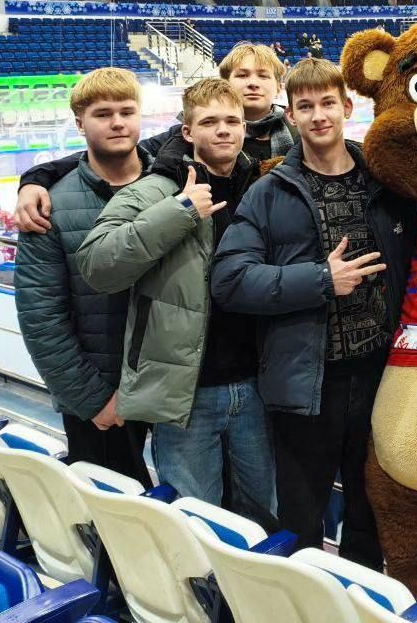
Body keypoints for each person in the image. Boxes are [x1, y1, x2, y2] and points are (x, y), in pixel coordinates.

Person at [211, 58, 416, 565]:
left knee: (371, 518)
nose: (319, 115)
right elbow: (229, 280)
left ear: (347, 107)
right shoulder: (268, 190)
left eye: (328, 103)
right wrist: (322, 280)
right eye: (306, 106)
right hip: (306, 385)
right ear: (291, 115)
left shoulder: (386, 180)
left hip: (378, 377)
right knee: (301, 521)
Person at [77, 79, 274, 517]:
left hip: (255, 387)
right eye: (209, 122)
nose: (222, 130)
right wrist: (181, 210)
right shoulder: (156, 189)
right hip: (186, 395)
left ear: (245, 128)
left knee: (262, 515)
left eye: (232, 121)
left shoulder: (260, 185)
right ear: (186, 132)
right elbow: (97, 263)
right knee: (195, 519)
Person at [14, 68, 153, 485]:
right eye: (102, 113)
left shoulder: (172, 184)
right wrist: (92, 399)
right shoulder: (49, 207)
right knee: (113, 519)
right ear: (80, 123)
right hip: (100, 394)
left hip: (175, 386)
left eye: (126, 111)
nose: (117, 122)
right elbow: (41, 317)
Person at [15, 42, 296, 232]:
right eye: (242, 74)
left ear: (278, 85)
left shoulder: (296, 134)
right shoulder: (186, 135)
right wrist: (35, 179)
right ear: (225, 83)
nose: (253, 82)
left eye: (263, 75)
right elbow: (121, 153)